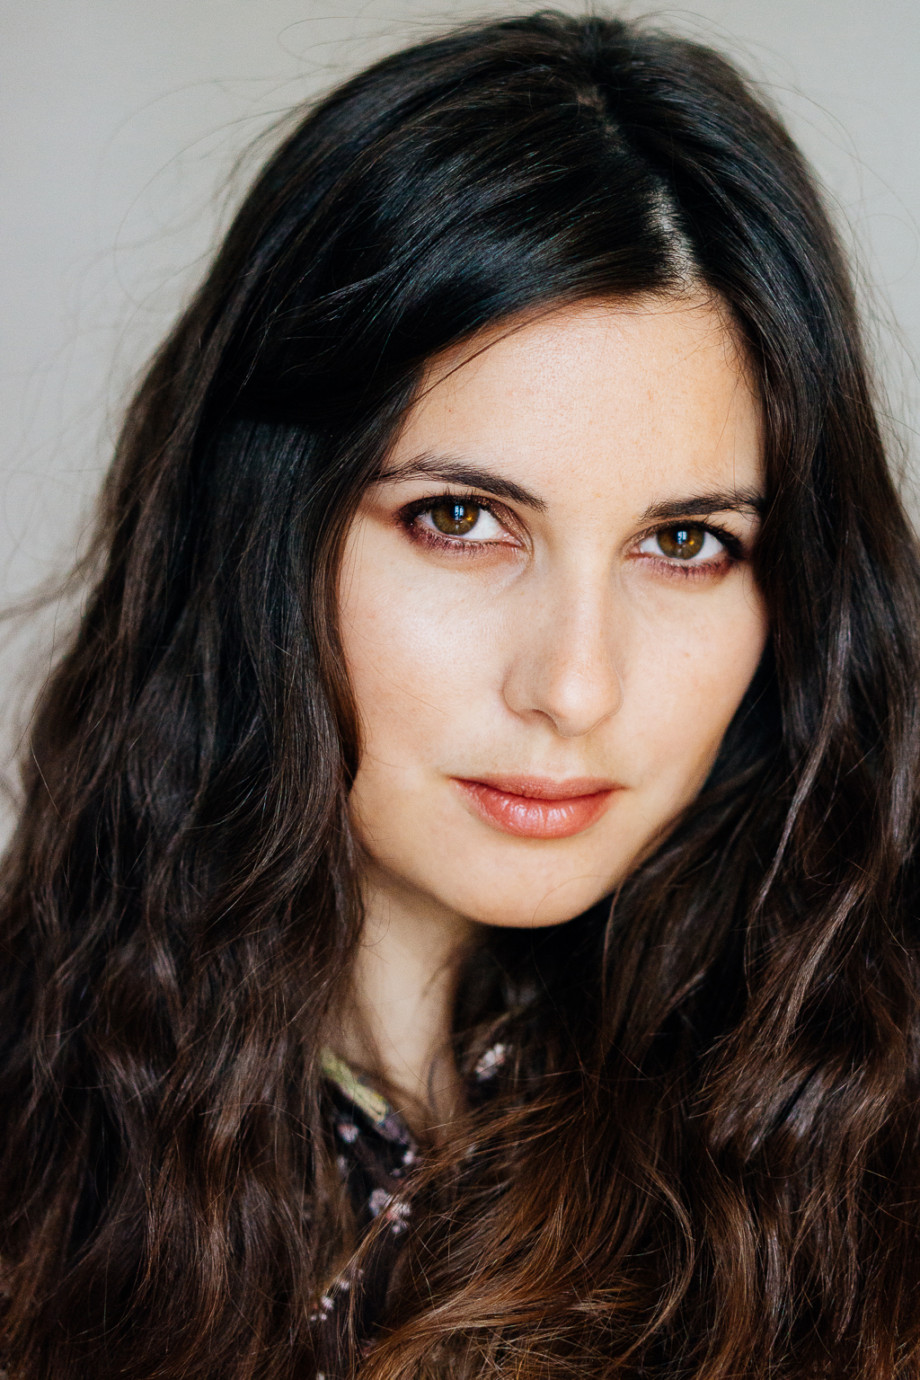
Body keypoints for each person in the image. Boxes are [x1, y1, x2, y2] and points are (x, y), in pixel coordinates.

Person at [1, 9, 919, 1378]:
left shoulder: (877, 1152)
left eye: (686, 543)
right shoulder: (34, 1131)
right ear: (264, 531)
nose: (574, 685)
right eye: (460, 520)